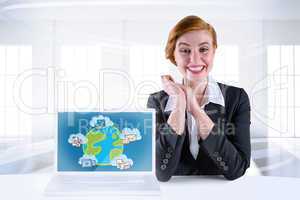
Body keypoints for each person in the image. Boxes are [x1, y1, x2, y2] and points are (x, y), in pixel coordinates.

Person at [147, 15, 251, 181]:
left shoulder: (237, 98)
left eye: (203, 49)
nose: (194, 59)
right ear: (173, 55)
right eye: (185, 50)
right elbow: (161, 172)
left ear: (214, 51)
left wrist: (196, 110)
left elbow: (236, 169)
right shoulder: (157, 101)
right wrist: (179, 104)